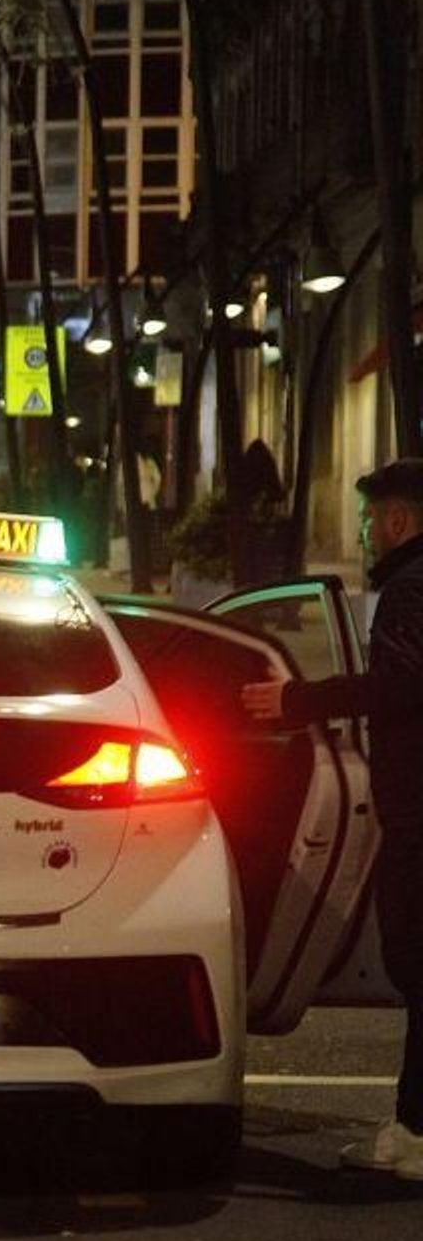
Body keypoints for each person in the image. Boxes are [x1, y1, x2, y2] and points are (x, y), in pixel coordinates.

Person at [241, 458, 423, 1175]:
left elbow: (400, 684)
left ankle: (415, 1134)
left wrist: (297, 701)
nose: (366, 534)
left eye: (370, 521)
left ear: (399, 521)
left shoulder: (410, 590)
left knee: (415, 964)